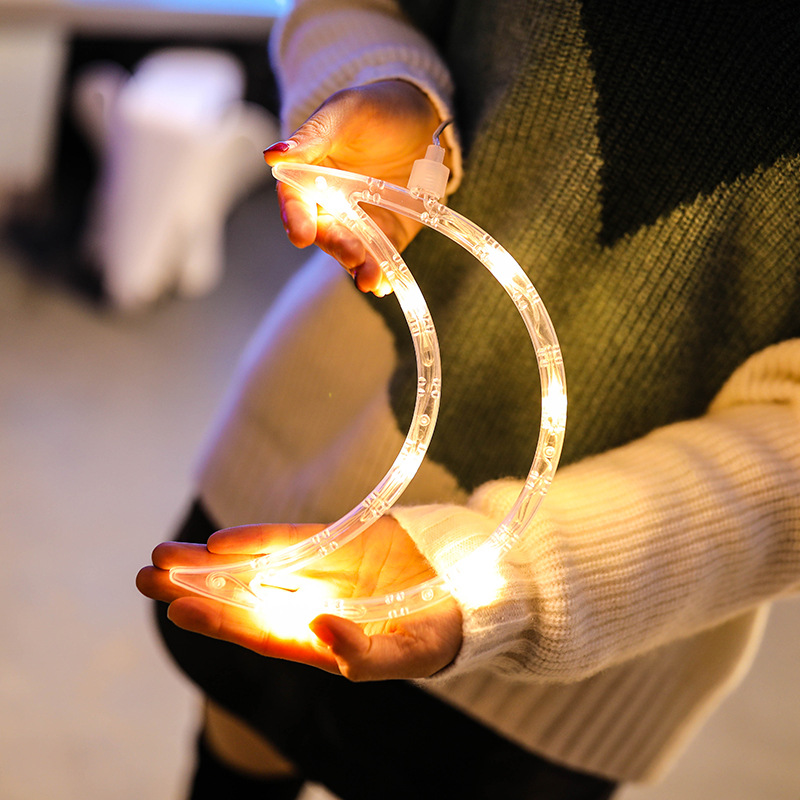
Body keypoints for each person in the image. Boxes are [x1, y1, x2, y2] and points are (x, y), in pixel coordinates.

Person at [137, 1, 800, 798]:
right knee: (243, 721)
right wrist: (383, 84)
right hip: (311, 459)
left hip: (606, 621)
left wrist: (512, 580)